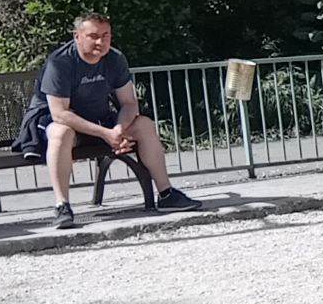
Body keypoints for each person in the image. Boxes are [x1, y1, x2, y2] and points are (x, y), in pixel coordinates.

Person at [17, 13, 205, 229]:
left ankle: (166, 194)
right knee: (62, 132)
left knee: (144, 125)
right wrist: (106, 134)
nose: (101, 42)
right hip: (54, 123)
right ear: (77, 36)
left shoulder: (115, 59)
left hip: (100, 121)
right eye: (93, 36)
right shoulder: (60, 63)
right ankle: (62, 206)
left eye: (106, 36)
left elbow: (129, 103)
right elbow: (60, 113)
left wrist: (118, 129)